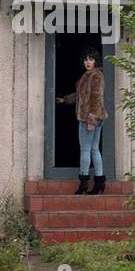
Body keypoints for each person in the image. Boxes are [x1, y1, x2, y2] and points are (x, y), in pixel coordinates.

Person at [56, 48, 108, 195]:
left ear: (95, 61)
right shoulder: (89, 75)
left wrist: (91, 120)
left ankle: (84, 183)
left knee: (86, 149)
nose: (88, 62)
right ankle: (99, 183)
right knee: (94, 149)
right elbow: (81, 96)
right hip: (96, 117)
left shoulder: (95, 76)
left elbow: (96, 98)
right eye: (86, 59)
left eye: (91, 59)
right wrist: (65, 99)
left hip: (89, 118)